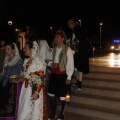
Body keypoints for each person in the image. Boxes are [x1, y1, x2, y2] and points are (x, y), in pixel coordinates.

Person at [47, 29, 74, 120]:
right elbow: (50, 61)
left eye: (57, 37)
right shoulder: (54, 49)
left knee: (63, 96)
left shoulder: (67, 49)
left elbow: (70, 63)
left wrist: (69, 76)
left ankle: (62, 113)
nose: (55, 38)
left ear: (62, 39)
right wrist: (51, 64)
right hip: (54, 75)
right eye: (55, 37)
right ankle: (53, 112)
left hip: (63, 75)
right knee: (51, 93)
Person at [17, 41, 47, 120]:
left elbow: (40, 78)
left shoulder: (38, 62)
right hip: (25, 89)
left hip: (33, 89)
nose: (24, 49)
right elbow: (26, 75)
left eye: (26, 48)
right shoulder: (26, 61)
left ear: (31, 50)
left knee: (31, 111)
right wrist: (21, 78)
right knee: (23, 110)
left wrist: (36, 92)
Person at [0, 43, 24, 120]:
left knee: (10, 104)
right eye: (6, 49)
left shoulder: (18, 61)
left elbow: (23, 72)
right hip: (4, 83)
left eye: (8, 49)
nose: (6, 51)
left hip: (13, 84)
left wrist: (19, 78)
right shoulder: (6, 60)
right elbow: (4, 73)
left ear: (13, 50)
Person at [67, 19, 89, 91]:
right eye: (69, 25)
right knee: (76, 67)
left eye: (70, 24)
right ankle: (77, 81)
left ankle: (79, 83)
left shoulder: (78, 30)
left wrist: (74, 43)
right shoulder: (74, 31)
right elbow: (72, 40)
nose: (70, 26)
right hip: (76, 52)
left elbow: (80, 40)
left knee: (79, 67)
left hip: (80, 52)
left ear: (73, 24)